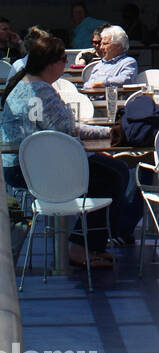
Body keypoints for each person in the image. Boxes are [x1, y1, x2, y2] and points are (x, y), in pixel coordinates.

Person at [1, 33, 138, 266]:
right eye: (64, 59)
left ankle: (95, 241)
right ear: (51, 63)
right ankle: (83, 246)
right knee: (113, 176)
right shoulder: (41, 91)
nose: (66, 64)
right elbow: (68, 132)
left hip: (19, 167)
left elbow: (60, 133)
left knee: (113, 171)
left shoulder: (24, 85)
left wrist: (101, 140)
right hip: (36, 170)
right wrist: (109, 133)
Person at [82, 26, 139, 90]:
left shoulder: (128, 62)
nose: (101, 48)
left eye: (105, 44)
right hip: (93, 98)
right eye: (101, 44)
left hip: (115, 98)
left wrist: (103, 83)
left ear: (118, 46)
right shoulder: (99, 65)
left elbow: (126, 80)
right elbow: (88, 84)